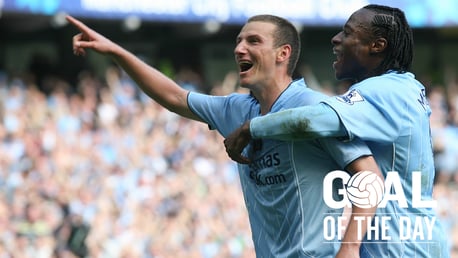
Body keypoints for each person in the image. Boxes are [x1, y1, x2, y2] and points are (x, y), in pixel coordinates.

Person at [67, 14, 382, 257]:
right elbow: (175, 97)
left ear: (282, 53)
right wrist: (115, 52)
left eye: (253, 41)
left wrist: (350, 247)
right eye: (239, 41)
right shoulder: (236, 109)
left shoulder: (313, 107)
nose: (239, 48)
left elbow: (370, 177)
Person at [223, 4, 450, 258]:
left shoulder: (385, 90)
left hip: (401, 249)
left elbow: (317, 118)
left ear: (378, 45)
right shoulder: (402, 89)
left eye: (348, 33)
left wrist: (252, 128)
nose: (336, 38)